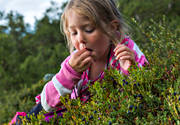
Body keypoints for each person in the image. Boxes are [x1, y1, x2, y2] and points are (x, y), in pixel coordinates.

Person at [10, 0, 148, 124]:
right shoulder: (74, 61)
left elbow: (148, 88)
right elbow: (46, 103)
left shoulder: (125, 50)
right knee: (30, 120)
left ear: (112, 28)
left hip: (106, 113)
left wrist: (132, 71)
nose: (80, 39)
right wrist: (69, 73)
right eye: (74, 33)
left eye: (88, 29)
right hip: (75, 113)